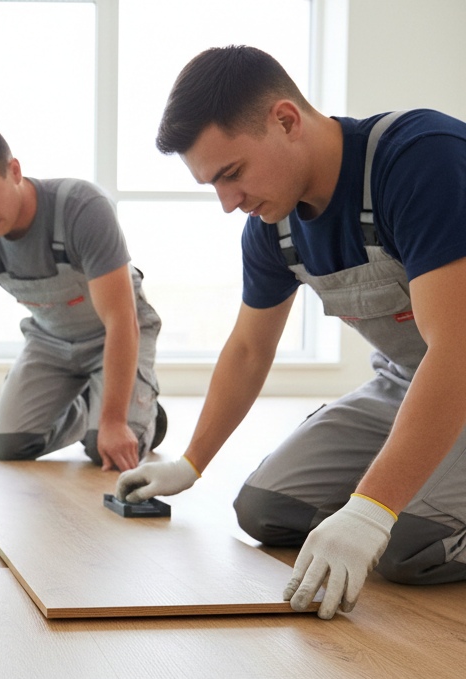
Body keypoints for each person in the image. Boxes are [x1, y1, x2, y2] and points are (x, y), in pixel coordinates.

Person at [115, 46, 466, 619]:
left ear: (285, 120)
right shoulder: (272, 227)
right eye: (213, 186)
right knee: (265, 510)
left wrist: (372, 510)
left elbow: (456, 350)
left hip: (458, 368)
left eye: (232, 174)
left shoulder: (419, 160)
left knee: (409, 544)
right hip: (406, 383)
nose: (228, 204)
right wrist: (190, 462)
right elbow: (249, 350)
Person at [0, 122, 166, 477]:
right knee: (7, 447)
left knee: (103, 448)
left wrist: (114, 422)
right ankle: (91, 405)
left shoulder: (82, 209)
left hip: (114, 334)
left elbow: (121, 319)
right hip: (51, 340)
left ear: (14, 171)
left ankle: (145, 417)